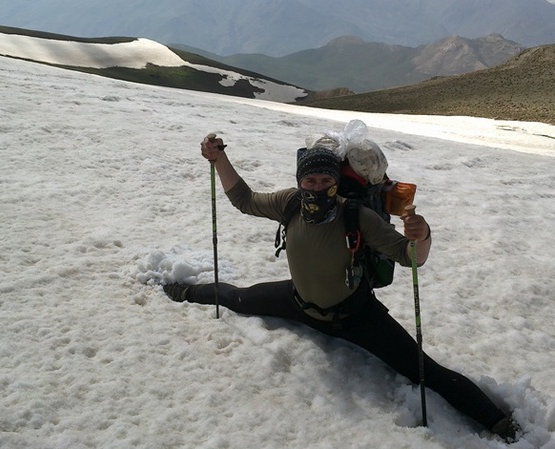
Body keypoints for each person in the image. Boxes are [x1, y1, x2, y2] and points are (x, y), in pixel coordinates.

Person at [163, 135, 519, 443]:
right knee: (237, 297)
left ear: (335, 181)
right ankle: (185, 292)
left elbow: (409, 258)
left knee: (425, 370)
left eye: (324, 179)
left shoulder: (356, 216)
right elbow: (243, 199)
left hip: (357, 316)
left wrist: (422, 235)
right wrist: (219, 157)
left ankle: (500, 422)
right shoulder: (289, 203)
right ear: (300, 181)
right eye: (310, 180)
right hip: (298, 301)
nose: (317, 187)